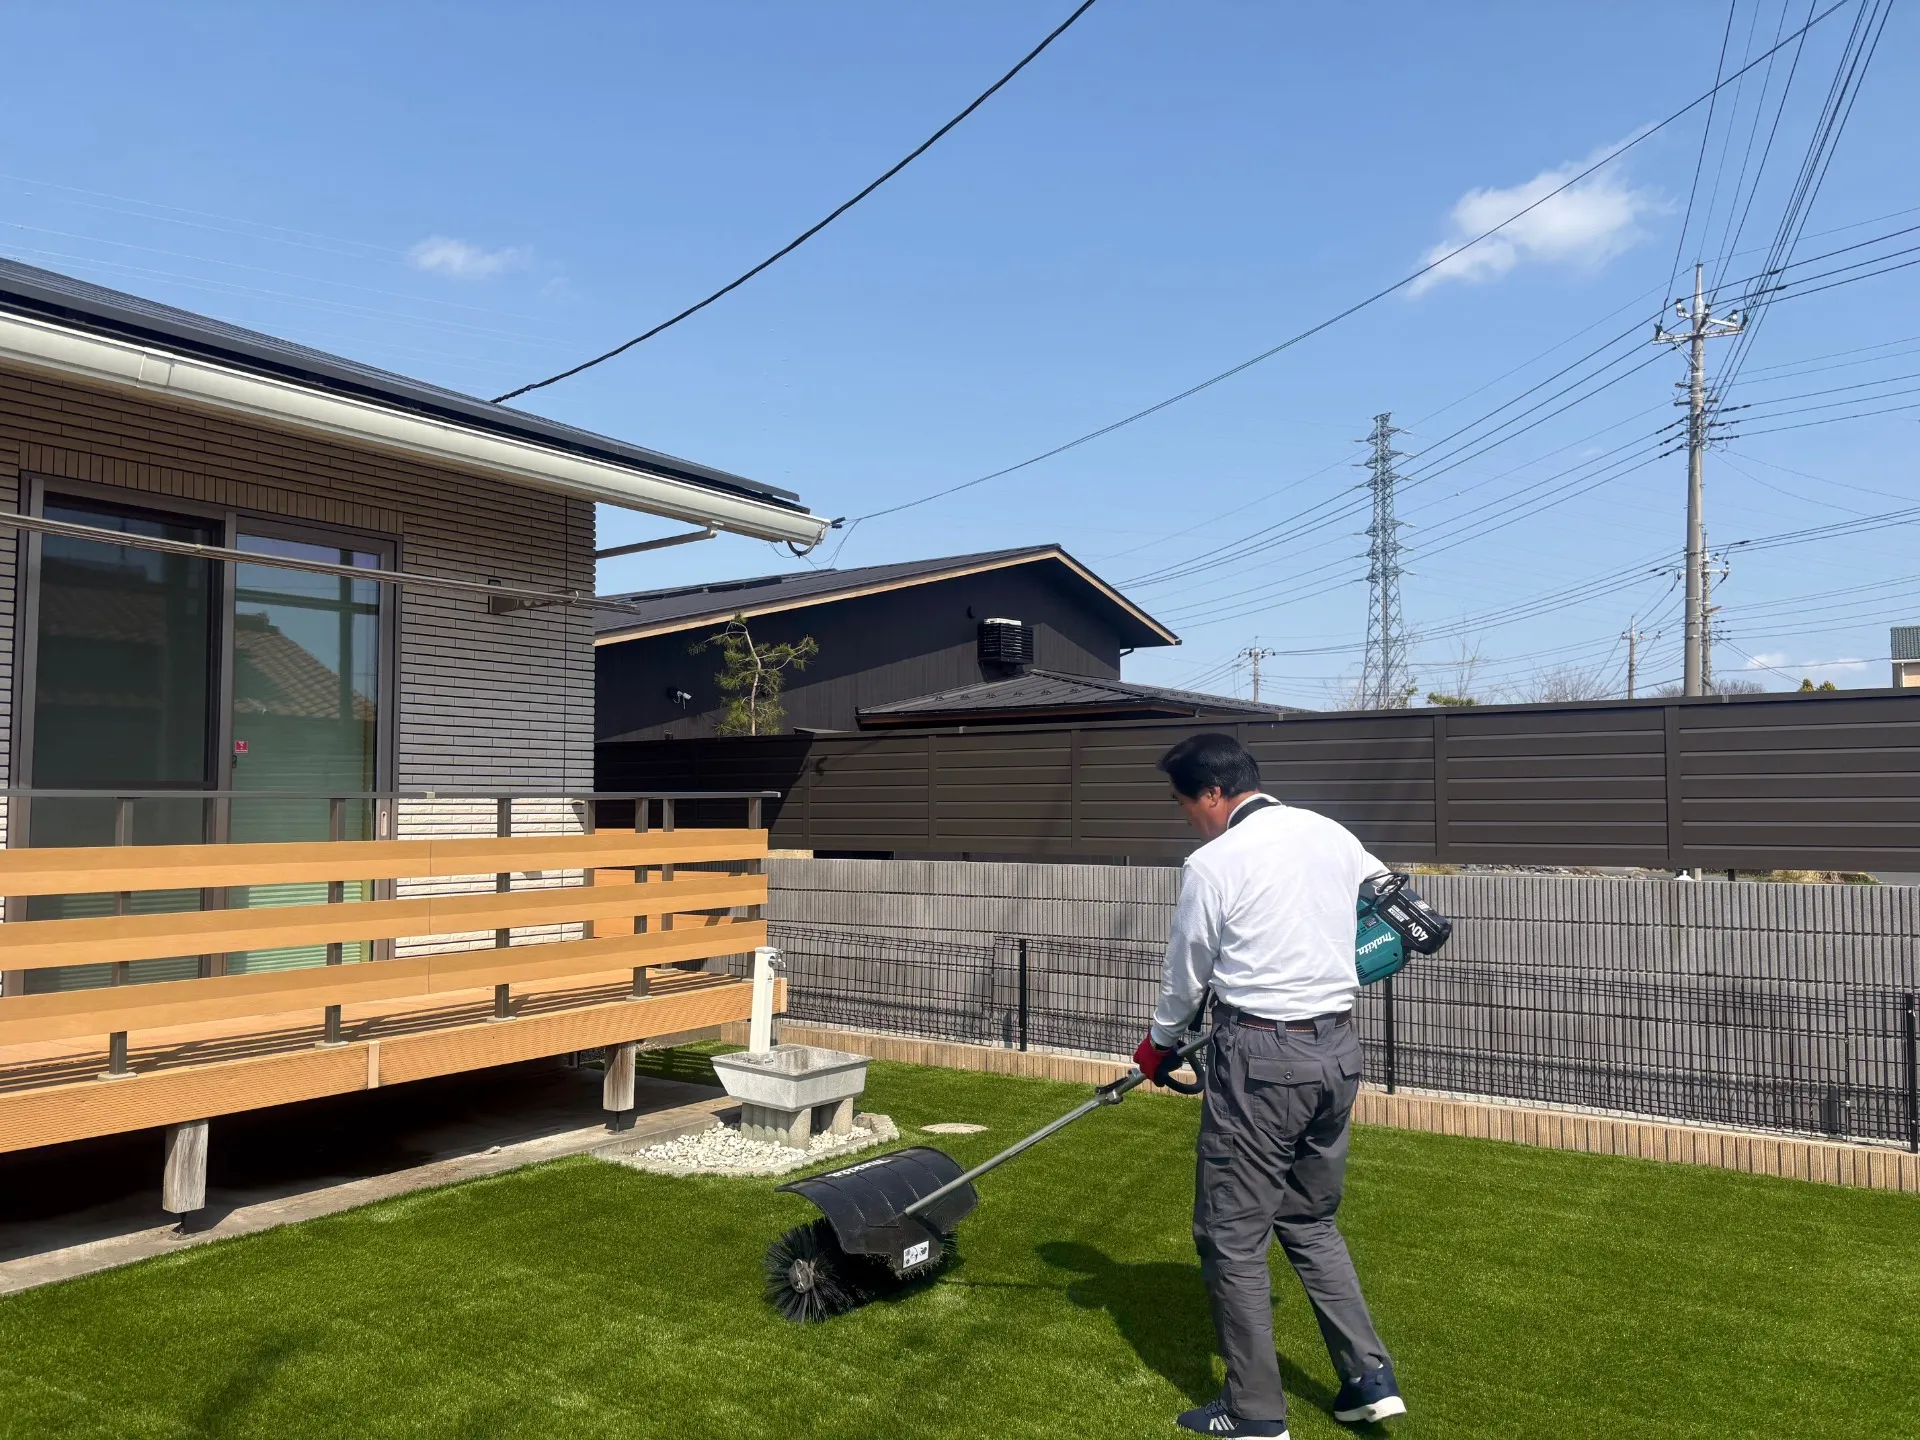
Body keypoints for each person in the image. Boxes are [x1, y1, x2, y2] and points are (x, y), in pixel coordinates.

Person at [1134, 733, 1404, 1438]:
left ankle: (1255, 1415)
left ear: (1214, 795)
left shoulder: (1214, 861)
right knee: (1308, 1218)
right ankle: (1369, 1378)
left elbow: (1188, 968)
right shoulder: (1330, 833)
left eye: (1185, 803)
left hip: (1261, 1057)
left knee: (1231, 1234)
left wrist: (1159, 1045)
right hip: (1338, 1050)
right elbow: (1390, 901)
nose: (1187, 817)